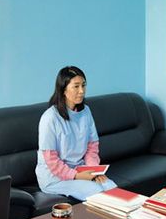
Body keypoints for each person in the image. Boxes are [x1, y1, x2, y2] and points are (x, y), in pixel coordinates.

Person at [36, 66, 117, 201]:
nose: (81, 91)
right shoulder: (50, 118)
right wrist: (77, 176)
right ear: (63, 89)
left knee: (111, 188)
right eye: (76, 86)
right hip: (54, 177)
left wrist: (94, 171)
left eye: (83, 85)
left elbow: (92, 147)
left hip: (81, 169)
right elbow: (51, 159)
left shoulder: (86, 112)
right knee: (97, 193)